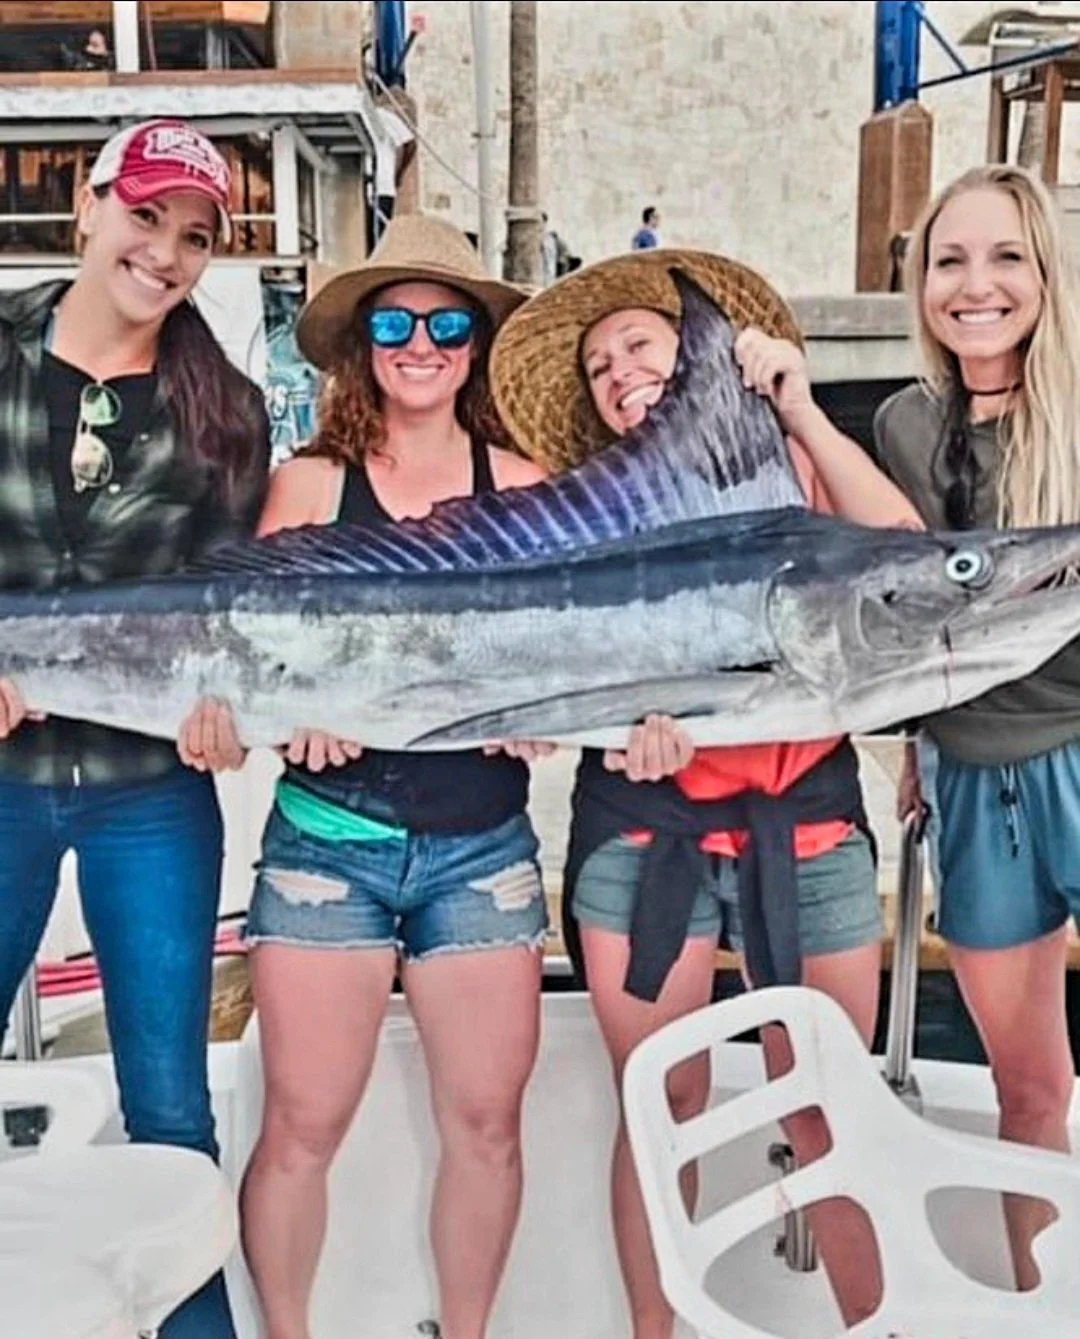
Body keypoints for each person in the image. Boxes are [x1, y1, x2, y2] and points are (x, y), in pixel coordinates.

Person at [489, 247, 924, 1339]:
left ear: (698, 355)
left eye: (638, 341)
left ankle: (872, 1324)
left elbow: (909, 559)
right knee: (660, 1109)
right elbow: (542, 677)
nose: (620, 370)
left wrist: (802, 411)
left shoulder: (798, 469)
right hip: (648, 826)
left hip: (809, 826)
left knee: (829, 1107)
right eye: (597, 366)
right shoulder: (580, 512)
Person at [235, 214, 551, 1339]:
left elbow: (561, 646)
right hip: (329, 844)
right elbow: (254, 654)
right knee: (300, 1127)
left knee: (489, 1124)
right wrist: (287, 722)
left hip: (484, 849)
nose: (423, 342)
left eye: (448, 320)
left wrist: (547, 716)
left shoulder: (524, 484)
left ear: (476, 343)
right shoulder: (309, 485)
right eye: (397, 320)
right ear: (363, 343)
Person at [0, 117, 270, 1338]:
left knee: (170, 1105)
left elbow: (237, 610)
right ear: (90, 207)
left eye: (196, 235)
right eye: (147, 214)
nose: (164, 251)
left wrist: (232, 715)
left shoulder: (225, 410)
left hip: (150, 790)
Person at [876, 162, 1080, 1292]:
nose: (976, 285)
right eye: (951, 260)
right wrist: (913, 737)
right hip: (969, 785)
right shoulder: (908, 424)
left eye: (1005, 256)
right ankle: (1047, 1309)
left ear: (1046, 275)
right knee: (1028, 1089)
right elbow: (909, 618)